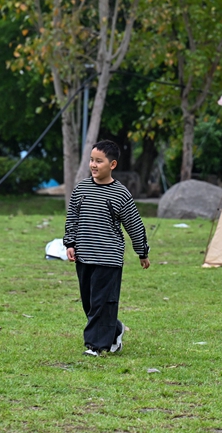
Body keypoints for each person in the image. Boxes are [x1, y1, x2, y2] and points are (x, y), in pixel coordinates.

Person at [64, 140, 150, 357]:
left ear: (112, 164)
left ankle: (95, 346)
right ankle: (116, 329)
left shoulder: (120, 194)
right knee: (90, 304)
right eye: (92, 160)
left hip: (108, 258)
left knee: (102, 302)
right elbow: (72, 217)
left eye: (99, 161)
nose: (93, 165)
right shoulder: (81, 189)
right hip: (84, 255)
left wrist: (142, 252)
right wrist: (70, 243)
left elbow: (134, 224)